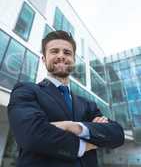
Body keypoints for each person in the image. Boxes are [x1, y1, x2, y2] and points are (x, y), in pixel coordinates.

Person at [8, 30, 124, 167]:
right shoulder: (26, 90)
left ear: (74, 60)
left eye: (67, 53)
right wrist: (86, 142)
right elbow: (31, 134)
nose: (61, 56)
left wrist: (76, 127)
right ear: (44, 59)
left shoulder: (87, 104)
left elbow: (117, 134)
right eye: (54, 51)